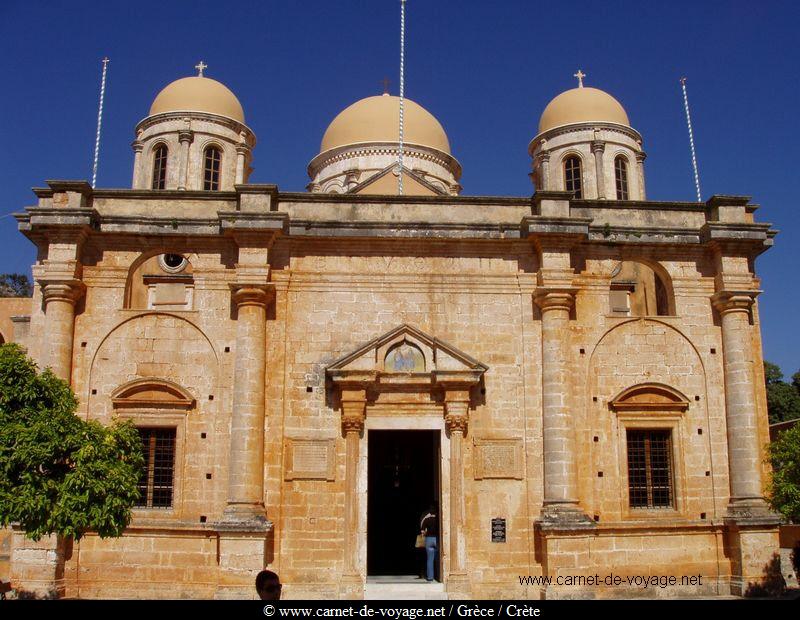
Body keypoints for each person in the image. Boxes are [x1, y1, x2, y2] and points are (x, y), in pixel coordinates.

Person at [420, 503, 438, 582]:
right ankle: (438, 576)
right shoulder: (439, 519)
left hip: (429, 539)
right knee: (438, 559)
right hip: (437, 539)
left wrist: (425, 517)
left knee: (430, 560)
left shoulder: (427, 519)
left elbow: (422, 530)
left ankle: (430, 577)